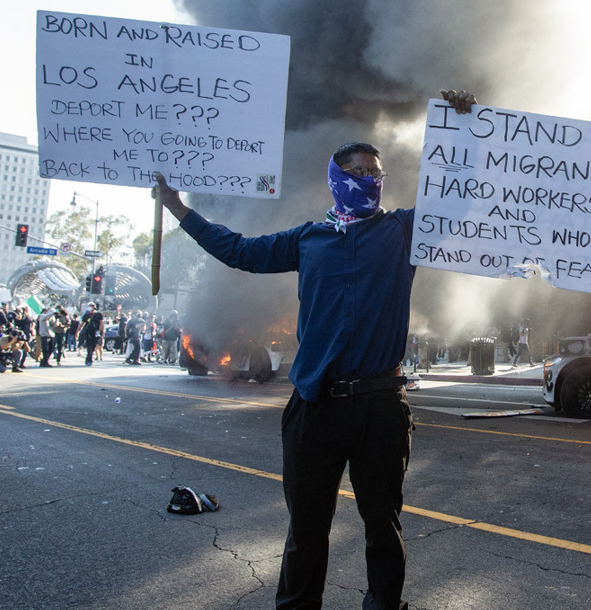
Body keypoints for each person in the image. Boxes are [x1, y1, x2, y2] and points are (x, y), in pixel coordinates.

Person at [153, 88, 477, 610]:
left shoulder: (402, 231)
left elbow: (459, 196)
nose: (371, 180)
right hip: (315, 409)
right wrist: (178, 209)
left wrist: (466, 125)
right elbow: (239, 252)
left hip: (379, 408)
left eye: (377, 173)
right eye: (360, 171)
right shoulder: (308, 239)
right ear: (337, 178)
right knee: (306, 533)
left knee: (382, 527)